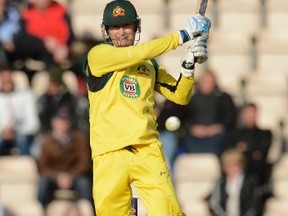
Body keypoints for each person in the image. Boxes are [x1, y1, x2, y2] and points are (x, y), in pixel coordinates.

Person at [82, 0, 211, 215]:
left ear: (136, 28)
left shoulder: (149, 65)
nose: (121, 32)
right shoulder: (98, 56)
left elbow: (180, 95)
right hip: (109, 154)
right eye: (115, 27)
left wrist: (188, 65)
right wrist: (182, 35)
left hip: (147, 150)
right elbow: (137, 54)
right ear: (106, 31)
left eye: (127, 26)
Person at [37, 106, 93, 208]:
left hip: (75, 176)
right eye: (61, 120)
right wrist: (57, 177)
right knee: (43, 183)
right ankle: (41, 210)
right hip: (53, 177)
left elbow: (84, 163)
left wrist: (71, 176)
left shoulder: (79, 138)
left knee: (84, 183)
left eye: (67, 120)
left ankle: (87, 210)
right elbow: (43, 166)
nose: (64, 124)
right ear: (53, 122)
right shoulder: (47, 141)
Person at [227, 103, 273, 214]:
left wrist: (246, 149)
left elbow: (263, 152)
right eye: (248, 115)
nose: (250, 118)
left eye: (252, 115)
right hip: (241, 173)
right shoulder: (235, 133)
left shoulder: (265, 133)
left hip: (257, 173)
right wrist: (253, 151)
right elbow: (233, 152)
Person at [183, 70, 237, 157]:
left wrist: (219, 127)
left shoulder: (224, 98)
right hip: (195, 137)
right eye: (205, 81)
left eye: (210, 81)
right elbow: (184, 119)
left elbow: (230, 117)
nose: (208, 84)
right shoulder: (191, 99)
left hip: (218, 136)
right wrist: (193, 128)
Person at [208, 148, 263, 216]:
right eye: (229, 165)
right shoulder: (220, 183)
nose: (232, 168)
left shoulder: (251, 181)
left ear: (241, 165)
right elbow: (215, 204)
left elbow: (255, 205)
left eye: (235, 165)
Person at [0, 65, 40, 155]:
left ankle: (27, 167)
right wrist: (4, 130)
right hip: (2, 133)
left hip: (22, 133)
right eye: (4, 77)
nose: (7, 80)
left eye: (9, 77)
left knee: (21, 140)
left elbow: (33, 123)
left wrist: (15, 131)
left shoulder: (26, 95)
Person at [155, 99, 188, 169]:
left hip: (167, 133)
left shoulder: (175, 101)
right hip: (148, 134)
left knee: (165, 161)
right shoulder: (148, 98)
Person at [0, 0, 21, 66]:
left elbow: (17, 31)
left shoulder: (13, 14)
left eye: (2, 4)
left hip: (11, 50)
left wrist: (13, 41)